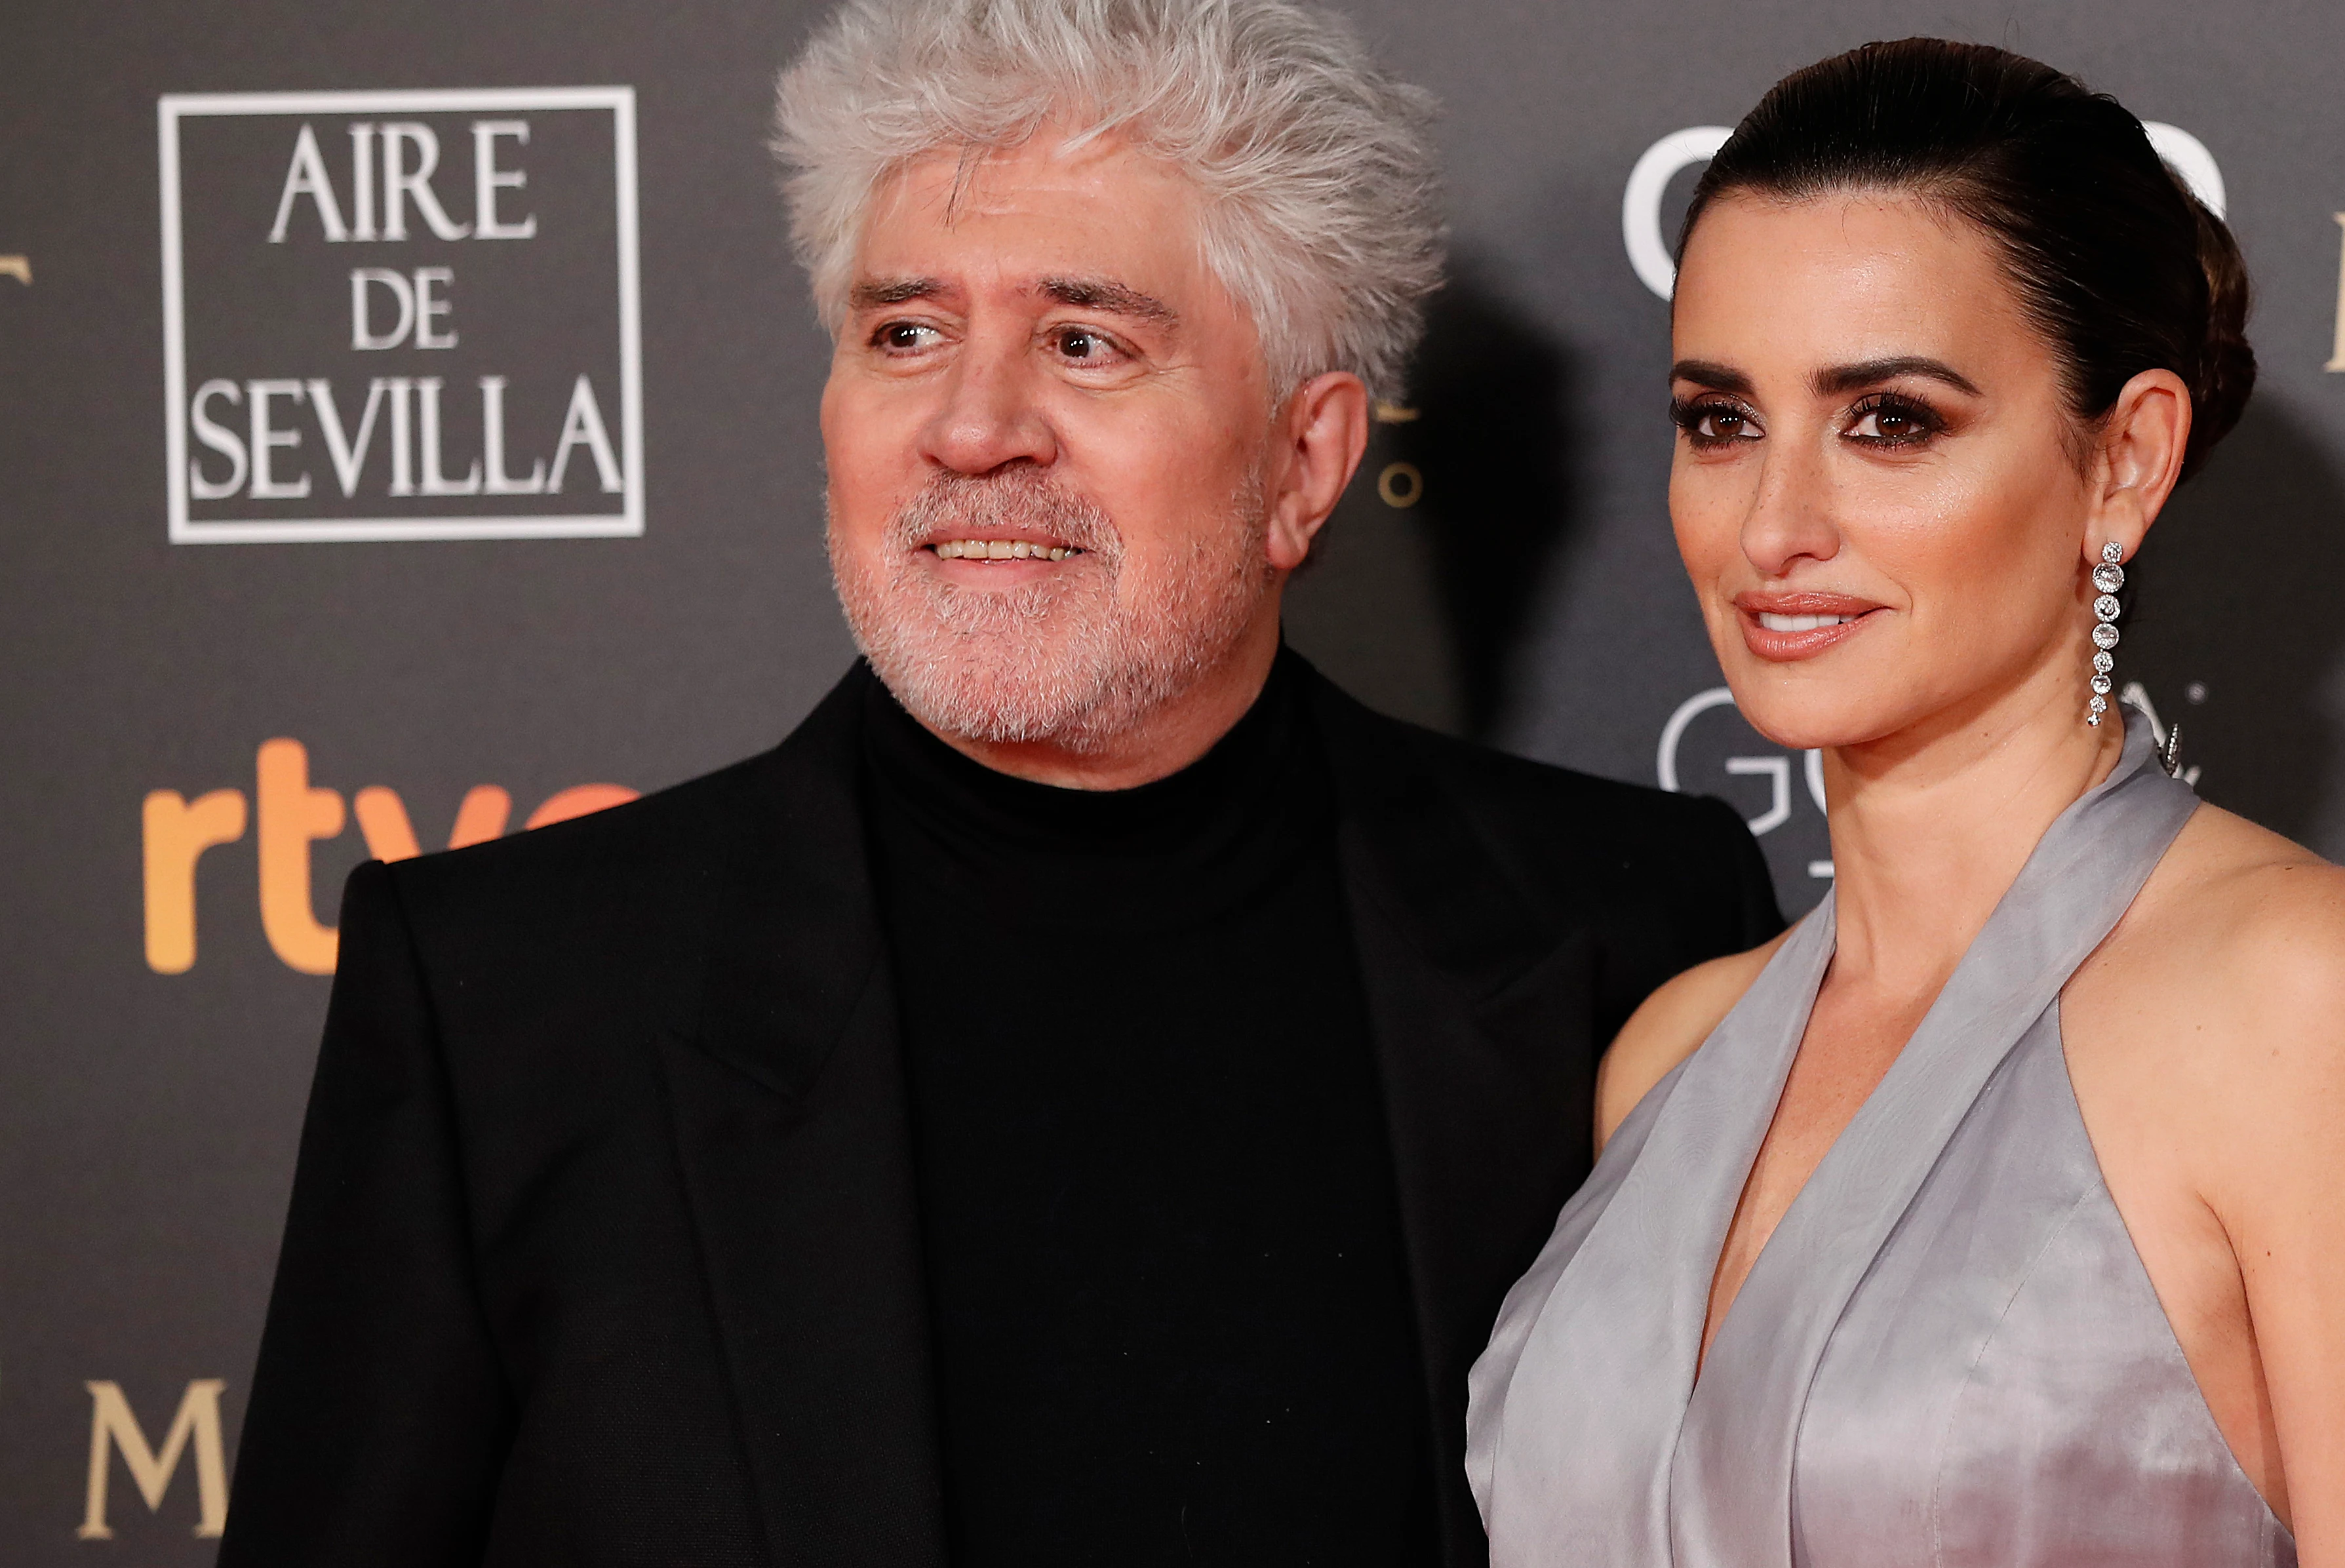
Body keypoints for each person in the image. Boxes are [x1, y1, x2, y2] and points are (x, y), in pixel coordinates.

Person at [215, 3, 1781, 1565]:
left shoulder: (1628, 940)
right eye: (904, 332)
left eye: (1084, 339)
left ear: (1302, 465)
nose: (968, 428)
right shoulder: (508, 1000)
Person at [1467, 39, 2345, 1568]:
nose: (1774, 524)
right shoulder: (1670, 1053)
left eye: (1888, 419)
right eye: (1720, 420)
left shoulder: (2297, 1002)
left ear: (2122, 462)